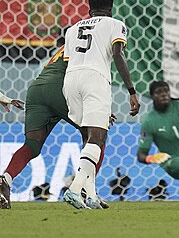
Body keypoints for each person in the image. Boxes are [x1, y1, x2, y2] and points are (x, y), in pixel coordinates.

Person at [0, 41, 112, 210]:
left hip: (37, 89)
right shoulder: (96, 45)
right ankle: (85, 190)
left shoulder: (71, 41)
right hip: (62, 89)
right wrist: (98, 106)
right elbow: (86, 76)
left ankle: (6, 179)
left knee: (32, 145)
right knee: (96, 135)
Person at [62, 0, 140, 209]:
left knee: (88, 139)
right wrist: (131, 90)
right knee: (97, 138)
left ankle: (92, 196)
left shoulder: (72, 29)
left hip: (70, 80)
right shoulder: (115, 24)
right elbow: (117, 54)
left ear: (89, 9)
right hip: (95, 78)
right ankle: (75, 190)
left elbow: (68, 60)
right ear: (111, 9)